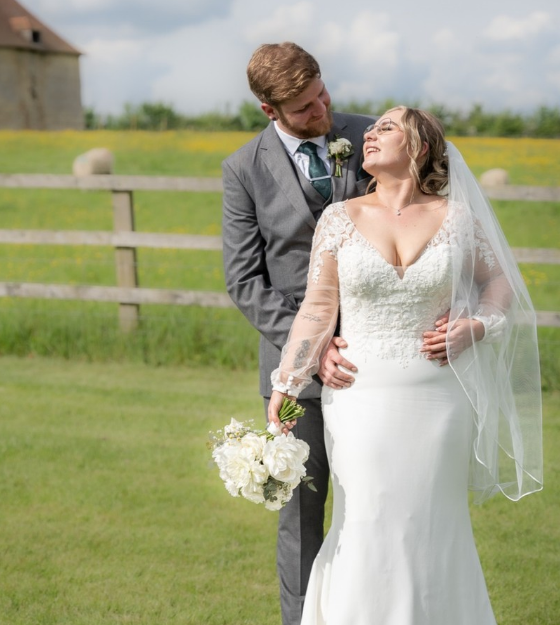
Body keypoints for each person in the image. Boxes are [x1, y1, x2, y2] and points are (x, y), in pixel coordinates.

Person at [268, 106, 543, 625]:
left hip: (439, 399)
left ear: (418, 147)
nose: (369, 134)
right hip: (358, 395)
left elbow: (500, 283)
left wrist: (476, 326)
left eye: (386, 127)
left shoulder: (457, 217)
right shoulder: (338, 219)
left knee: (432, 522)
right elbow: (318, 309)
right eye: (371, 129)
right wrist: (287, 380)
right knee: (366, 515)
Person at [222, 42, 375, 625]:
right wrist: (313, 345)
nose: (323, 112)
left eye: (322, 95)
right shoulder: (242, 169)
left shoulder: (372, 136)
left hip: (376, 360)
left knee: (374, 501)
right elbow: (243, 280)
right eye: (306, 109)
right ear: (269, 110)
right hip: (289, 378)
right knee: (301, 516)